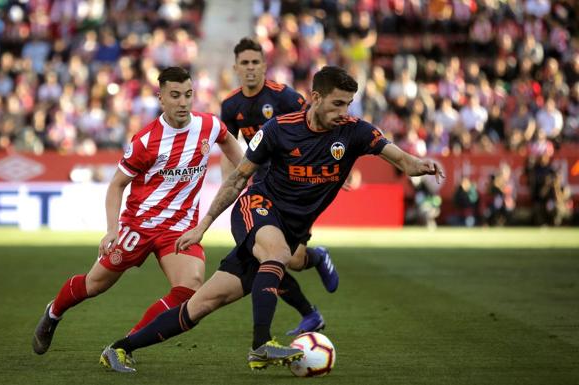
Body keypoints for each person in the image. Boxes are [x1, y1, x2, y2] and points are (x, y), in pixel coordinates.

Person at [100, 66, 444, 373]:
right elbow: (237, 178)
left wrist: (421, 165)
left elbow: (401, 159)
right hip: (256, 207)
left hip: (290, 230)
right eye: (337, 103)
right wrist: (203, 225)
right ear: (315, 98)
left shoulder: (354, 132)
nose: (344, 112)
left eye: (349, 104)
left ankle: (119, 347)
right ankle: (260, 345)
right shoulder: (279, 128)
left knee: (204, 303)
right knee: (278, 255)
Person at [32, 67, 244, 357]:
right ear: (161, 98)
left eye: (188, 95)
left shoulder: (209, 126)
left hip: (179, 228)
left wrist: (248, 172)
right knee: (94, 285)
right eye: (175, 96)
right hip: (138, 226)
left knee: (190, 289)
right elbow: (116, 186)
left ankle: (126, 346)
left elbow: (234, 149)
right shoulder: (145, 141)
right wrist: (112, 229)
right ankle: (54, 313)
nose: (183, 102)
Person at [220, 37, 338, 336]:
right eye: (244, 63)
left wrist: (335, 165)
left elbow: (318, 128)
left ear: (264, 65)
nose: (250, 68)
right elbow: (228, 146)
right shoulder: (230, 105)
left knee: (291, 260)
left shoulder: (285, 98)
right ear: (236, 67)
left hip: (295, 186)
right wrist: (229, 186)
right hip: (261, 188)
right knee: (269, 257)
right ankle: (310, 314)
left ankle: (316, 260)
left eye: (255, 62)